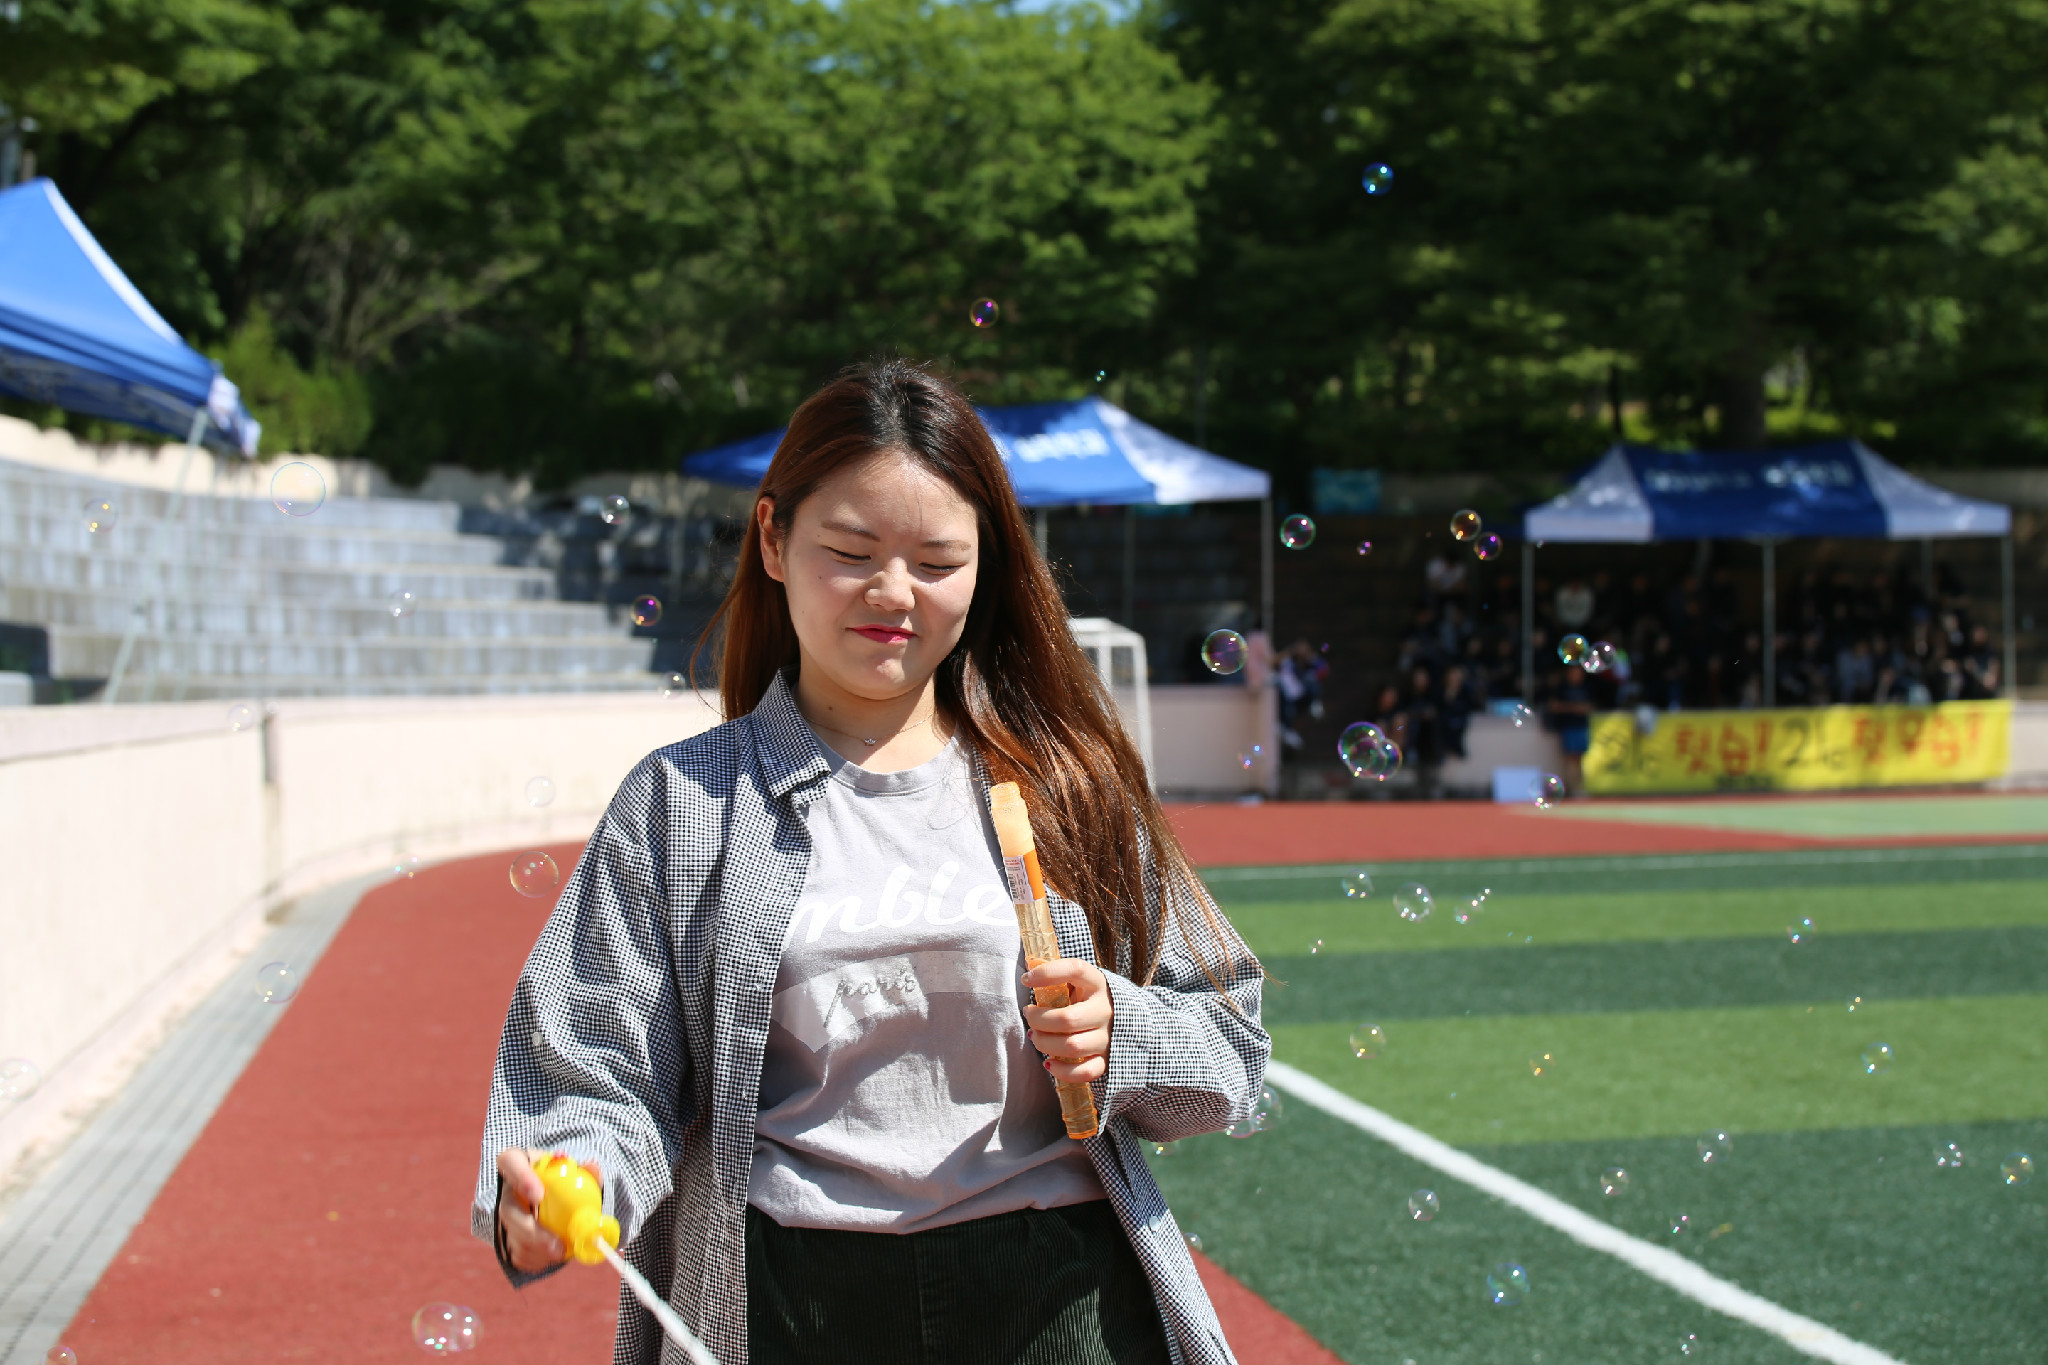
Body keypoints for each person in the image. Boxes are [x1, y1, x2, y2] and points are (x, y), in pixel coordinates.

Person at [474, 359, 1268, 1365]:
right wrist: (568, 1182)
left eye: (937, 562)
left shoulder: (1071, 787)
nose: (893, 593)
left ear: (986, 569)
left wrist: (1127, 1033)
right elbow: (593, 1070)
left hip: (1061, 1300)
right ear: (772, 539)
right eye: (850, 551)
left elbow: (1230, 1049)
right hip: (787, 1303)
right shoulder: (680, 804)